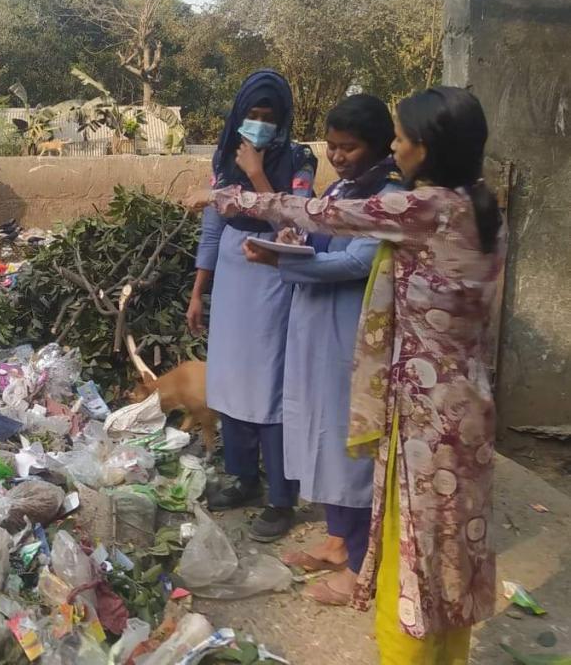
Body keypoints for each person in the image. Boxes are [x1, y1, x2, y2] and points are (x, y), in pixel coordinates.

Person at [188, 86, 503, 664]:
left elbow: (320, 214)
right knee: (449, 553)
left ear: (424, 149)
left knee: (412, 554)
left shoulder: (423, 208)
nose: (396, 149)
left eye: (401, 140)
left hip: (424, 414)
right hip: (466, 400)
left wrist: (237, 195)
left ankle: (409, 652)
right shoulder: (480, 206)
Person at [239, 94, 399, 605]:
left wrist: (279, 262)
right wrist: (290, 238)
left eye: (348, 147)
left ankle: (358, 566)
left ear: (378, 145)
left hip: (349, 331)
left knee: (345, 445)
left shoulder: (388, 194)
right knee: (318, 429)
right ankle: (336, 541)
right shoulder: (347, 187)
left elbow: (357, 262)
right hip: (318, 323)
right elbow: (323, 237)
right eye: (331, 146)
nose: (337, 156)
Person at [188, 69, 317, 542]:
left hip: (272, 273)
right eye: (251, 115)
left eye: (269, 117)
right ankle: (244, 478)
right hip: (233, 280)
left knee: (270, 390)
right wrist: (200, 290)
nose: (259, 124)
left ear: (282, 120)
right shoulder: (223, 158)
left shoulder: (299, 160)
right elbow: (213, 225)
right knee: (231, 383)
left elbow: (298, 224)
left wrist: (259, 174)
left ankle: (281, 498)